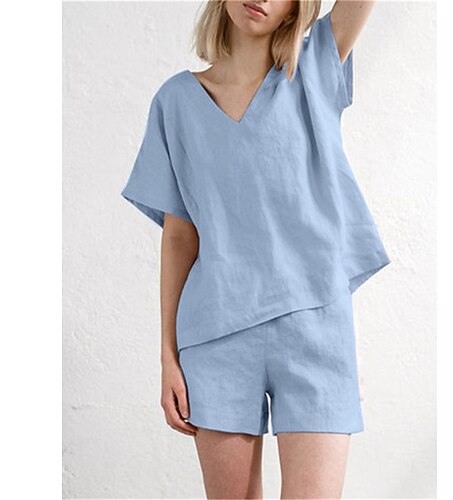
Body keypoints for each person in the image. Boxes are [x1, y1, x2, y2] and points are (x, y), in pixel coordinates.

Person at [121, 0, 390, 498]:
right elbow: (179, 237)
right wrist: (167, 358)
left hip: (315, 327)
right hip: (215, 334)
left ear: (294, 9)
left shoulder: (314, 68)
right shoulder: (176, 102)